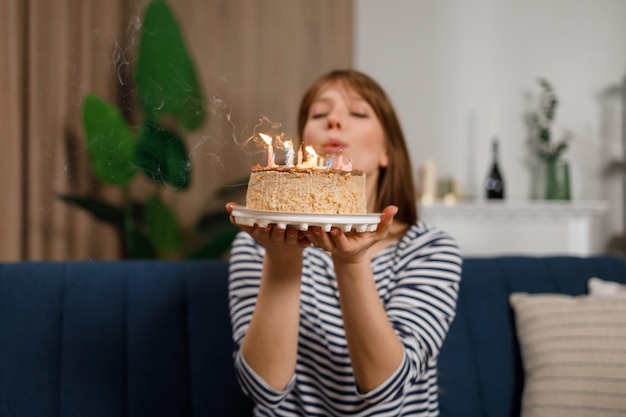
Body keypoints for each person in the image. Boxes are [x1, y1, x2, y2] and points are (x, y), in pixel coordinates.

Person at [226, 69, 462, 416]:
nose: (334, 121)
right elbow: (264, 390)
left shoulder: (429, 249)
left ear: (387, 151)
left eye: (358, 112)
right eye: (319, 114)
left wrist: (352, 262)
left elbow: (386, 391)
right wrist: (281, 258)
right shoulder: (256, 244)